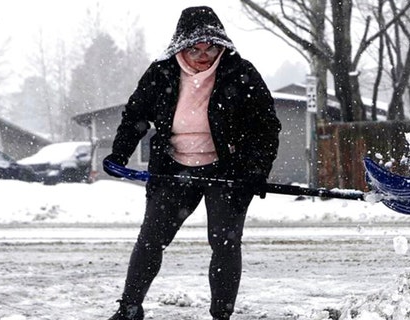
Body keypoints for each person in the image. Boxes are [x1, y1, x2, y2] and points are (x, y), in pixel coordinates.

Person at [103, 6, 281, 320]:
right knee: (151, 239)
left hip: (228, 171)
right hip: (173, 169)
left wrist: (256, 171)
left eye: (210, 46)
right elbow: (135, 116)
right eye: (193, 47)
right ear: (180, 46)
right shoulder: (162, 72)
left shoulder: (240, 72)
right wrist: (120, 153)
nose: (202, 54)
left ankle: (221, 315)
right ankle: (130, 308)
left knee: (225, 242)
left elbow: (264, 128)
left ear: (221, 44)